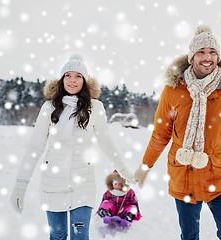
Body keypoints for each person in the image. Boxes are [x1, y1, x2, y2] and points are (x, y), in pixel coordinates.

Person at [134, 25, 221, 240]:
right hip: (184, 178)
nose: (207, 58)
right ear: (191, 56)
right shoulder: (173, 90)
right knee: (189, 235)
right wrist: (145, 167)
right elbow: (160, 134)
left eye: (212, 52)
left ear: (218, 56)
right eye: (201, 52)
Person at [9, 54, 134, 240]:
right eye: (68, 75)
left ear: (85, 80)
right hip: (52, 183)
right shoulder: (49, 107)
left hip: (83, 184)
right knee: (57, 234)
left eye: (78, 76)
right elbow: (34, 147)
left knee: (80, 235)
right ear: (61, 79)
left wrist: (125, 171)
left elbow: (107, 143)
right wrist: (20, 186)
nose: (72, 80)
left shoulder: (95, 108)